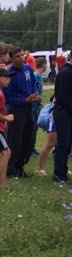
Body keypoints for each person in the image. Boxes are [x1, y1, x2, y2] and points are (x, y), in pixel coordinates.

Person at [6, 47, 40, 178]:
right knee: (16, 140)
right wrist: (24, 100)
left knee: (29, 138)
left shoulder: (27, 69)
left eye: (22, 55)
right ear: (12, 58)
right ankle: (11, 168)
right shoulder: (10, 74)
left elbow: (33, 84)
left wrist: (35, 94)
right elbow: (8, 97)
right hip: (16, 110)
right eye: (17, 56)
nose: (21, 58)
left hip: (28, 108)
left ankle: (21, 165)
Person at [53, 54, 72, 184]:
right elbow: (64, 97)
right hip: (64, 112)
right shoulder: (66, 73)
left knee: (68, 144)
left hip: (67, 112)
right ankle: (59, 173)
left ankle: (63, 171)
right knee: (63, 144)